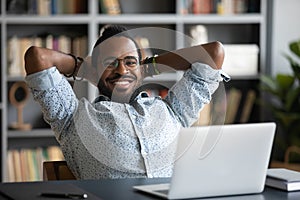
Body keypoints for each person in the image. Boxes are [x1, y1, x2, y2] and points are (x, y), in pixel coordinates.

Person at [24, 25, 227, 179]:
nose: (121, 70)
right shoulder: (72, 118)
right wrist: (86, 69)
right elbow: (38, 57)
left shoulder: (173, 111)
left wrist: (150, 66)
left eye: (130, 62)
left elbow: (213, 53)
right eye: (110, 63)